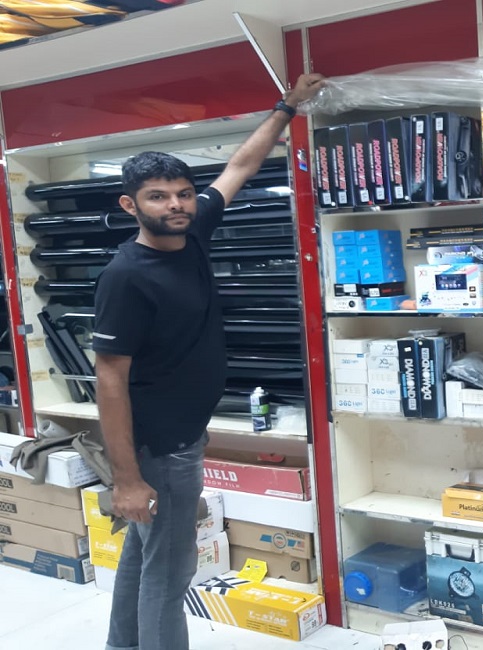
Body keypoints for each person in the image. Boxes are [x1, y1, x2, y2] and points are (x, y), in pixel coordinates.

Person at [94, 72, 324, 650]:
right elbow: (110, 378)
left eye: (182, 193)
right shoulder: (126, 276)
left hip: (181, 435)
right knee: (170, 574)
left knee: (143, 555)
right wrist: (127, 478)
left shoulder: (192, 230)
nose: (175, 204)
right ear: (130, 204)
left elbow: (240, 166)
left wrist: (287, 107)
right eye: (157, 196)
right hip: (160, 446)